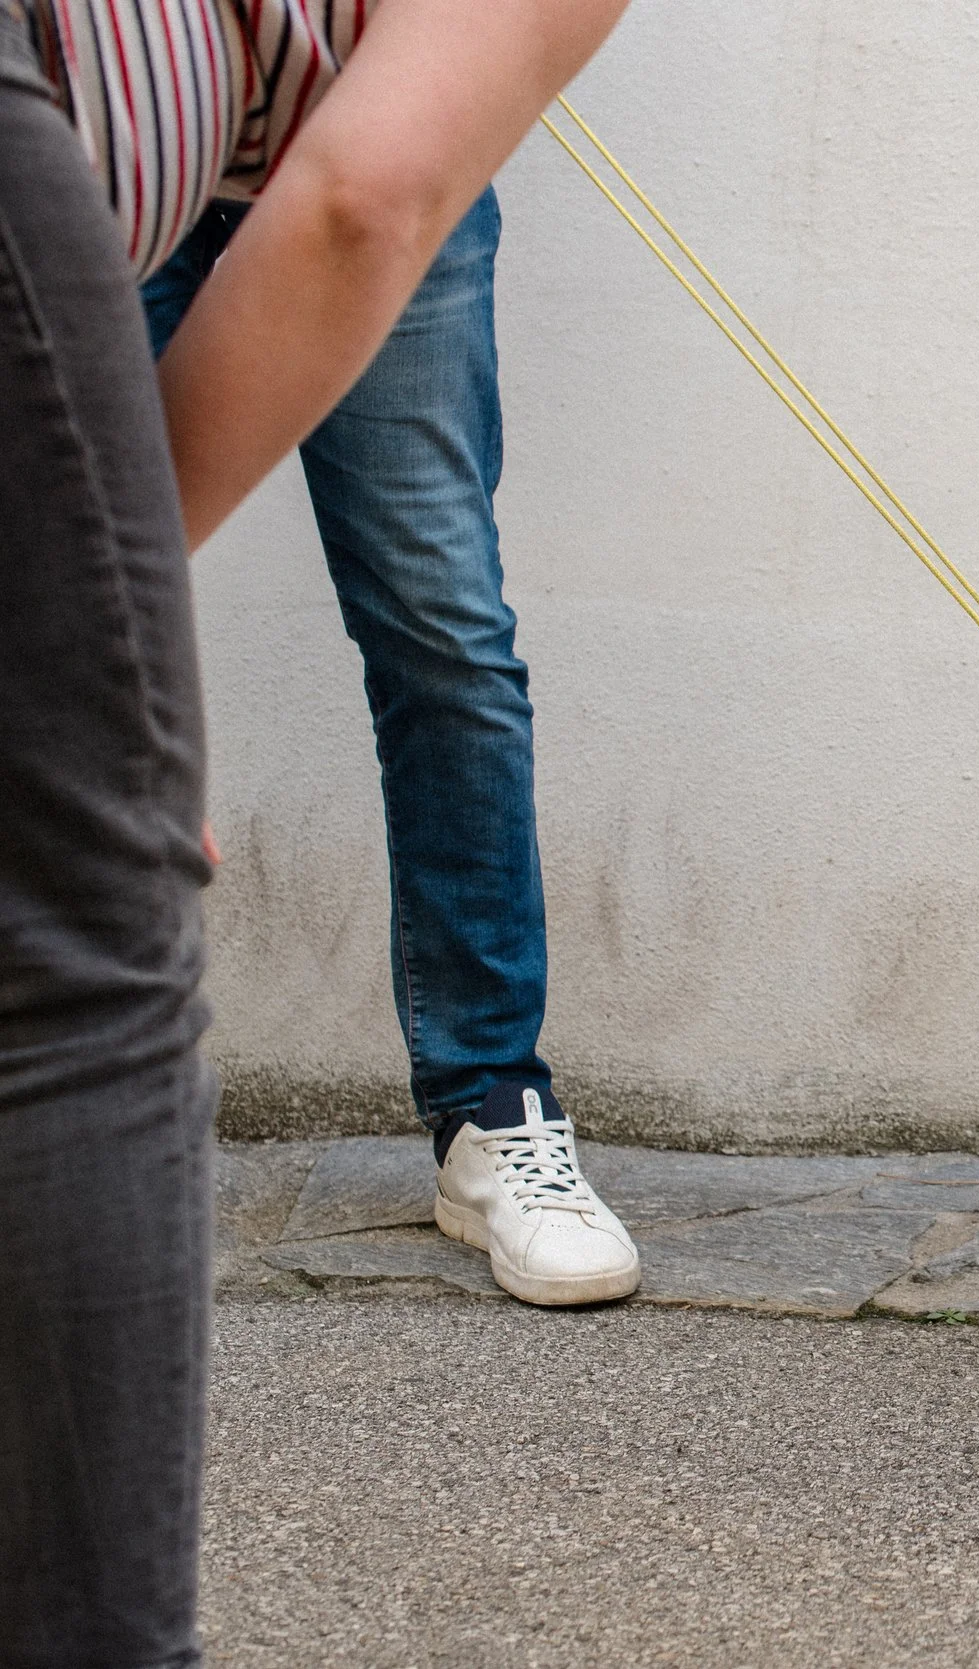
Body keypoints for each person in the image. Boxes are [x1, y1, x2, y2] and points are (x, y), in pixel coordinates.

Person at [0, 0, 629, 1660]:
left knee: (441, 627)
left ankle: (494, 1106)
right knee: (82, 976)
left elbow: (363, 193)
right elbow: (363, 194)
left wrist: (79, 683)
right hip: (76, 143)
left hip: (212, 144)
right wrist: (95, 700)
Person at [140, 194, 641, 1311]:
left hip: (384, 177)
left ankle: (489, 1110)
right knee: (37, 594)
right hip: (103, 153)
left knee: (445, 631)